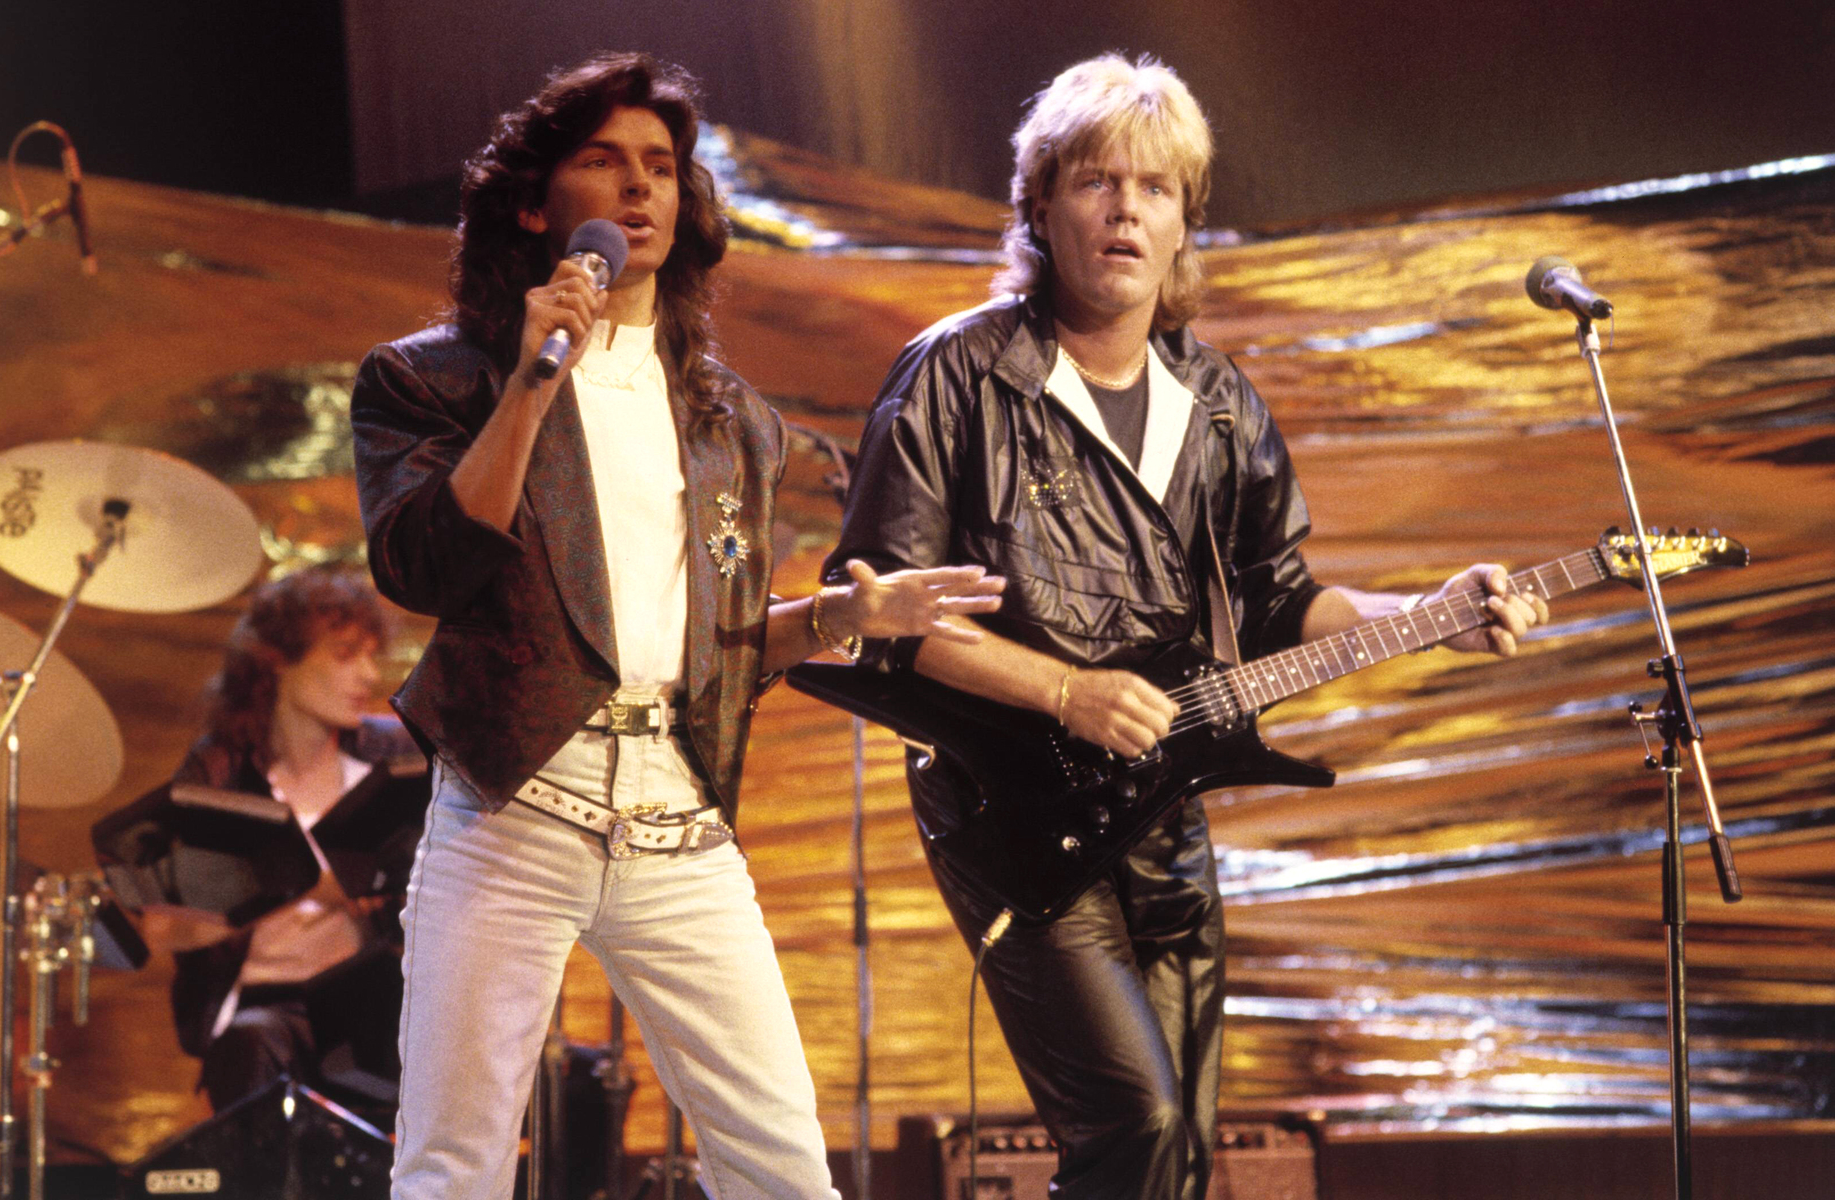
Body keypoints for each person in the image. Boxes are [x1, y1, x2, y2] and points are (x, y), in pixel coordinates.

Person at [821, 54, 1550, 1199]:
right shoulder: (956, 373)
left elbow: (1280, 599)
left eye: (1153, 188)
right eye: (1096, 182)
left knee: (1182, 1157)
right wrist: (1066, 692)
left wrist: (1426, 615)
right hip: (1011, 808)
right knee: (1139, 1124)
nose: (1125, 210)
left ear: (1182, 223)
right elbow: (882, 614)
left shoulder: (1217, 405)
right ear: (1040, 206)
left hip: (1163, 810)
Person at [349, 52, 1002, 1200]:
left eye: (660, 165)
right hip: (513, 812)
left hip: (677, 818)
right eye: (605, 161)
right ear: (534, 203)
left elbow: (722, 651)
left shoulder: (730, 419)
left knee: (784, 1170)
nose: (639, 186)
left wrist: (842, 615)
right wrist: (532, 378)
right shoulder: (433, 379)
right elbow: (426, 568)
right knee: (453, 1170)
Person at [138, 565, 416, 1114]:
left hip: (367, 1001)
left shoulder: (393, 755)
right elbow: (163, 927)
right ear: (279, 660)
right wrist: (298, 885)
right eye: (344, 655)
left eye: (370, 656)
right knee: (253, 1044)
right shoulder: (219, 770)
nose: (367, 674)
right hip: (261, 1008)